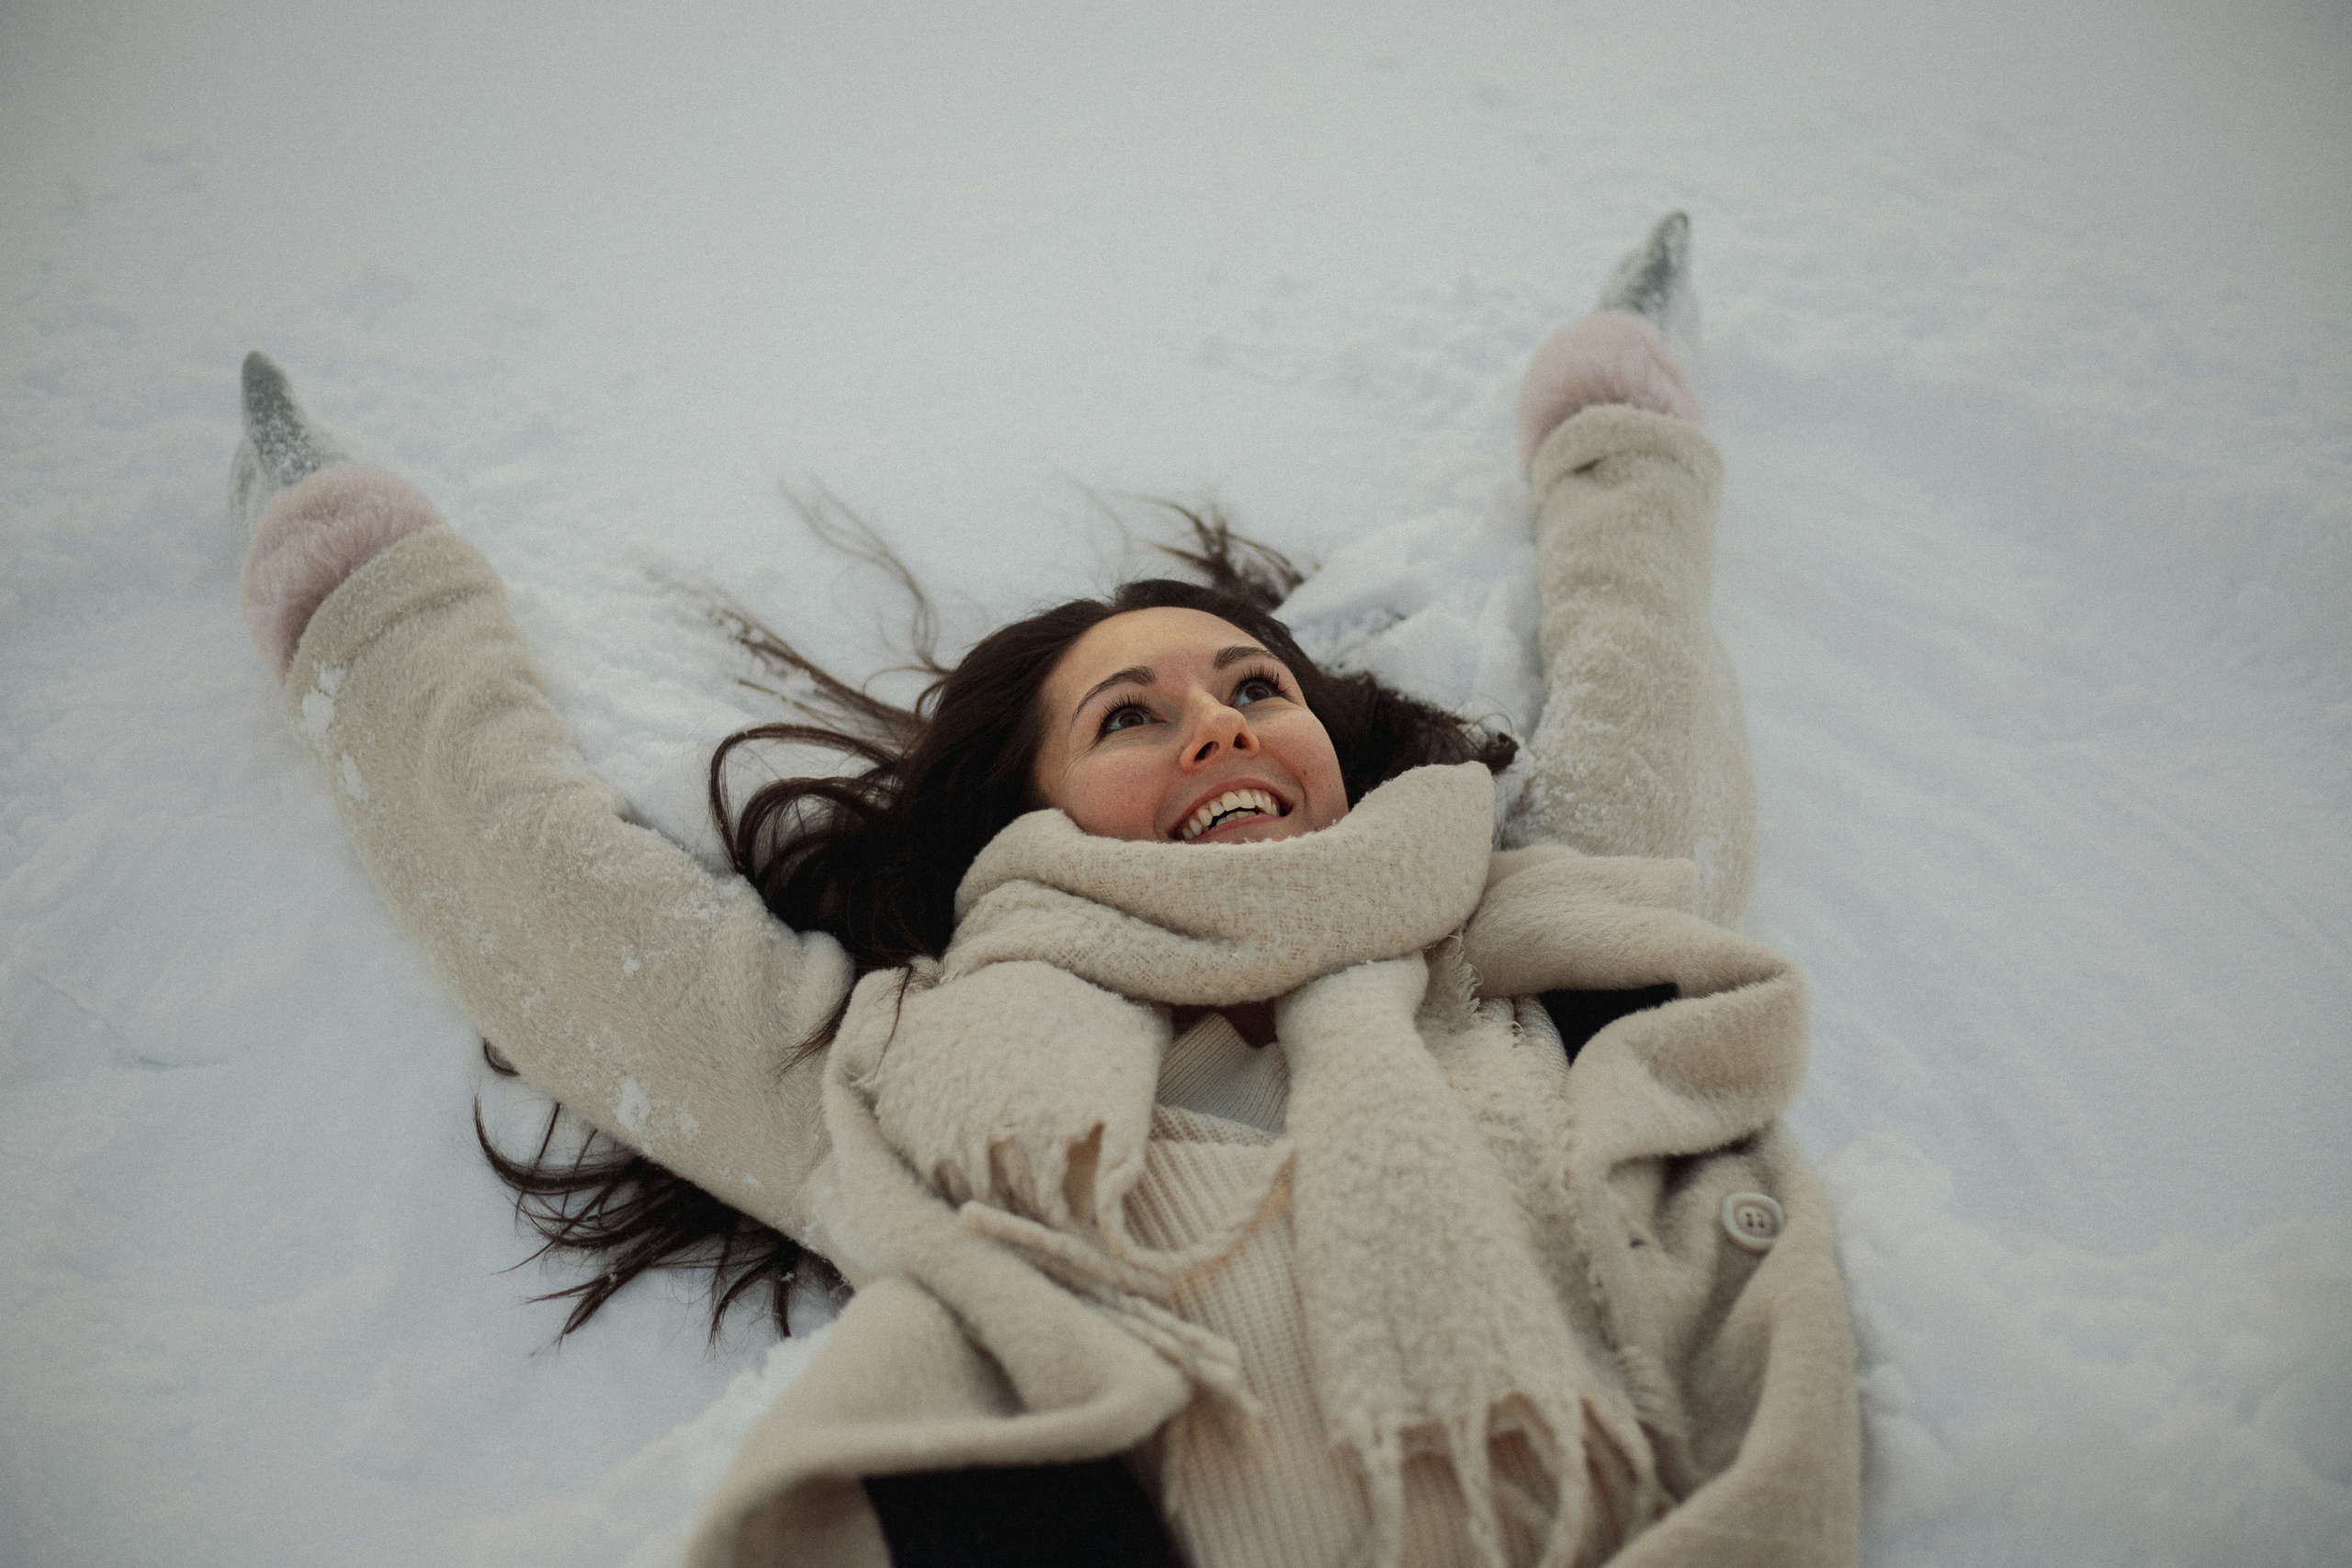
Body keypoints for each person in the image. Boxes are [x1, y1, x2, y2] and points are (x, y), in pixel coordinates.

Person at [232, 215, 1859, 1568]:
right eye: (1129, 717)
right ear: (1033, 814)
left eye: (1253, 689)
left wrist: (1617, 418)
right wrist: (361, 595)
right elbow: (556, 902)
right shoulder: (906, 1060)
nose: (1218, 719)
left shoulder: (1530, 929)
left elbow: (1638, 656)